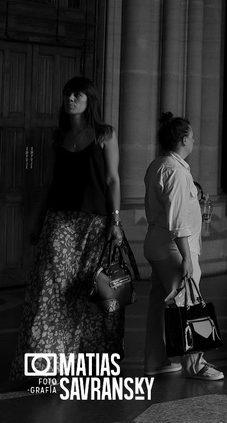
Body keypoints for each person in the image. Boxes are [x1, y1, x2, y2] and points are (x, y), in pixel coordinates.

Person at [9, 77, 124, 384]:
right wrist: (36, 221)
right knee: (49, 288)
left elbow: (113, 179)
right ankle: (46, 363)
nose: (70, 98)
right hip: (59, 220)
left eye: (77, 94)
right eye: (67, 94)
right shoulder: (57, 136)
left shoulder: (104, 134)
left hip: (95, 223)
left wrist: (115, 221)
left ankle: (88, 363)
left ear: (90, 100)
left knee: (90, 292)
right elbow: (48, 182)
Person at [143, 112, 223, 380]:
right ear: (184, 139)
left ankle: (156, 360)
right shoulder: (175, 172)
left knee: (159, 302)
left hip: (157, 244)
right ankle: (195, 364)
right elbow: (177, 220)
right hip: (173, 247)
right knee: (187, 302)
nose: (194, 140)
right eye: (192, 135)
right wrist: (187, 257)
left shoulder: (158, 164)